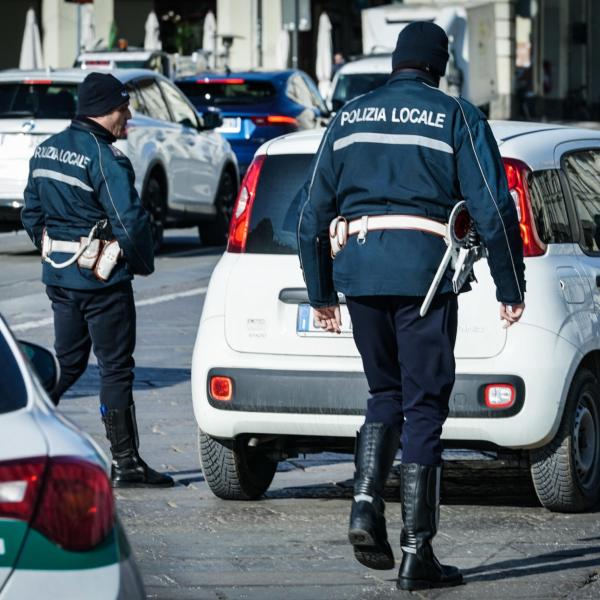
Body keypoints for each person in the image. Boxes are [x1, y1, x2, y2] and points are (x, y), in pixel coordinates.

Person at [297, 22, 525, 590]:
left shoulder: (347, 117)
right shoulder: (455, 116)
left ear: (396, 62)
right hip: (425, 280)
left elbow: (310, 217)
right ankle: (416, 553)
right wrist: (510, 286)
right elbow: (493, 207)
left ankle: (365, 502)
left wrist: (322, 293)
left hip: (361, 275)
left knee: (383, 394)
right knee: (424, 406)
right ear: (439, 66)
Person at [21, 72, 173, 489]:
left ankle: (19, 441)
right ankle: (127, 464)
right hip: (103, 283)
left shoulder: (46, 151)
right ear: (107, 111)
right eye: (125, 110)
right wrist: (140, 264)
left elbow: (31, 214)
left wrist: (56, 254)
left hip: (61, 278)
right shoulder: (107, 158)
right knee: (116, 369)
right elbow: (129, 221)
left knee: (67, 363)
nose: (129, 119)